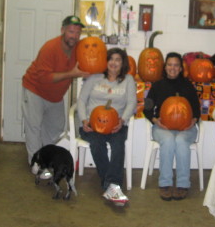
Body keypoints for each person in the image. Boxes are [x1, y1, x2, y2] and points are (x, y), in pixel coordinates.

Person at [22, 15, 90, 170]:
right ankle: (36, 162)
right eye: (71, 31)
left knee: (56, 128)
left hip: (55, 95)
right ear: (63, 30)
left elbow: (91, 61)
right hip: (35, 89)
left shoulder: (79, 49)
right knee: (34, 127)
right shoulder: (50, 48)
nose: (74, 36)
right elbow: (44, 78)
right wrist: (72, 74)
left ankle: (46, 158)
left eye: (78, 33)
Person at [77, 48, 136, 206]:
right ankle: (112, 186)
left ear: (123, 63)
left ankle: (111, 185)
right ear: (105, 61)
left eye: (118, 59)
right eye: (111, 59)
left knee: (118, 145)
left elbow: (132, 103)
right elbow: (81, 101)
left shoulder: (128, 80)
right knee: (97, 144)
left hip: (117, 124)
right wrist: (84, 120)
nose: (114, 63)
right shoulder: (94, 78)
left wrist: (122, 120)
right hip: (91, 124)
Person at [144, 52, 201, 201]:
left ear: (181, 68)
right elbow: (147, 108)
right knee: (169, 140)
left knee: (181, 141)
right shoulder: (157, 85)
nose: (173, 68)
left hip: (186, 128)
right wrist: (156, 121)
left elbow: (196, 109)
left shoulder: (188, 86)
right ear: (165, 66)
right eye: (170, 64)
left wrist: (193, 121)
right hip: (162, 127)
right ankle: (165, 183)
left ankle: (183, 184)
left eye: (176, 65)